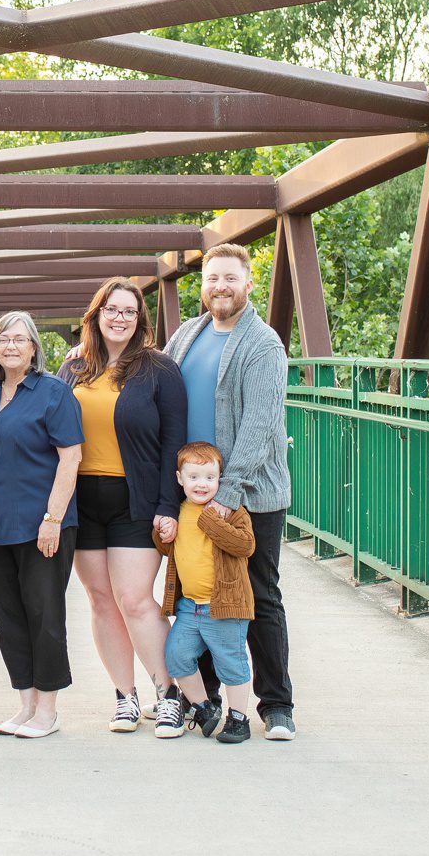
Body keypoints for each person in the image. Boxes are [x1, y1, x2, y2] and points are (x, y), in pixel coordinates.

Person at [161, 242, 295, 742]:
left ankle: (276, 705)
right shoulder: (186, 334)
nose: (220, 286)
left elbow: (261, 424)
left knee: (257, 596)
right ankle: (209, 700)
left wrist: (229, 492)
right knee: (200, 594)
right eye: (212, 278)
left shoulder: (263, 344)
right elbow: (151, 378)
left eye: (230, 278)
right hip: (195, 493)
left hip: (248, 496)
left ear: (248, 284)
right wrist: (85, 356)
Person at [57, 278, 187, 734]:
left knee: (134, 600)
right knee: (101, 601)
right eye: (111, 309)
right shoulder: (74, 367)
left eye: (130, 311)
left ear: (140, 319)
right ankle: (125, 697)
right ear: (96, 316)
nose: (120, 318)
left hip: (136, 501)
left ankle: (169, 695)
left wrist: (169, 505)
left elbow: (174, 442)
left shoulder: (160, 369)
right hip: (82, 501)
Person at [0, 311, 84, 739]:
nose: (11, 346)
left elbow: (70, 459)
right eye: (3, 339)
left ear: (34, 347)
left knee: (44, 615)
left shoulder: (54, 392)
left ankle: (48, 710)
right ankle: (26, 705)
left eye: (20, 339)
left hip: (43, 525)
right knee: (8, 618)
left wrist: (53, 518)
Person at [153, 442, 257, 744]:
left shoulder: (231, 512)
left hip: (224, 606)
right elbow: (170, 550)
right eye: (194, 477)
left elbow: (245, 546)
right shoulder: (179, 511)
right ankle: (203, 708)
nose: (202, 484)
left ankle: (239, 719)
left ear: (219, 479)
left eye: (210, 477)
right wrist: (162, 533)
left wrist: (212, 521)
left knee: (231, 663)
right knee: (176, 656)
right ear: (180, 478)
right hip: (189, 608)